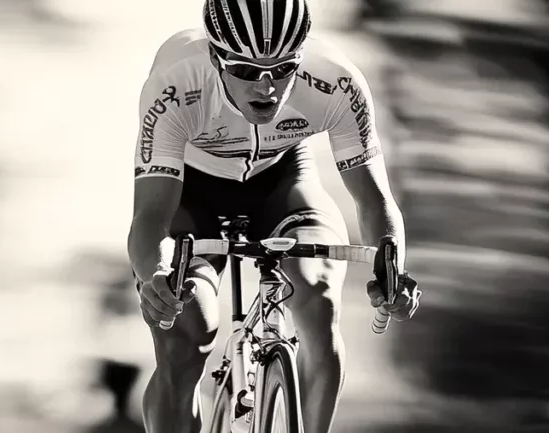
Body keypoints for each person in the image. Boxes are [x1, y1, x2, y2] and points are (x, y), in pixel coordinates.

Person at [127, 1, 422, 432]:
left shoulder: (336, 82)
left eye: (284, 68)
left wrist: (392, 270)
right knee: (187, 334)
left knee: (317, 297)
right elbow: (151, 214)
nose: (266, 87)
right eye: (246, 70)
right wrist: (155, 276)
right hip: (192, 195)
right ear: (215, 58)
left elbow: (374, 199)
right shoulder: (176, 84)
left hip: (282, 184)